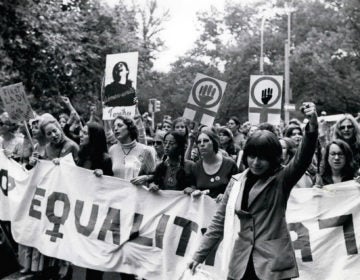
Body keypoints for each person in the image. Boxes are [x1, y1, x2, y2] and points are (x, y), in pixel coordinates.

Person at [188, 102, 318, 280]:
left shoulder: (282, 179)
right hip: (241, 262)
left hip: (272, 264)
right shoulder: (236, 181)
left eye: (263, 158)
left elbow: (303, 157)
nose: (256, 162)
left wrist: (312, 126)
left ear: (273, 158)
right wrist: (198, 255)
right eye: (252, 156)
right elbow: (218, 222)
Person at [76, 122, 112, 280]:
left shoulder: (105, 159)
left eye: (84, 132)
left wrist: (103, 176)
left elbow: (112, 186)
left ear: (93, 136)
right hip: (83, 209)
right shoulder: (81, 154)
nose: (80, 134)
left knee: (95, 254)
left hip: (98, 213)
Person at [188, 128, 238, 202]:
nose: (202, 144)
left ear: (214, 142)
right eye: (199, 142)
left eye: (206, 141)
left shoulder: (230, 164)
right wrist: (193, 191)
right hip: (202, 210)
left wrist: (226, 195)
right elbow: (193, 187)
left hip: (223, 210)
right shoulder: (196, 167)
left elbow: (237, 189)